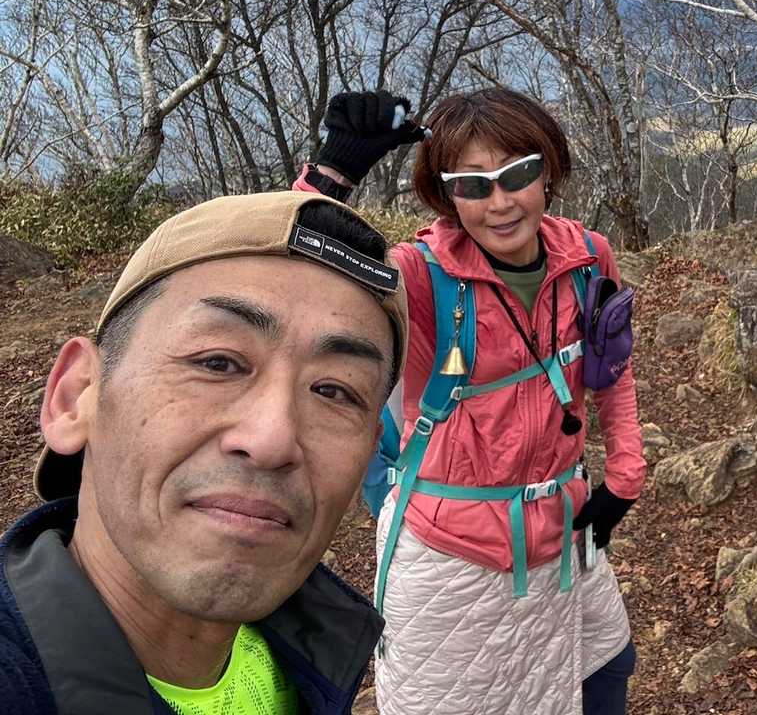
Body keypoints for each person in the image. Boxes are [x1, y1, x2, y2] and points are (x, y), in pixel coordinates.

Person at [297, 87, 644, 715]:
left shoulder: (587, 257)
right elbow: (299, 279)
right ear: (447, 195)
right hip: (451, 549)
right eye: (473, 184)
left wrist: (622, 480)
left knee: (605, 666)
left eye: (518, 174)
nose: (500, 202)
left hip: (563, 529)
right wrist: (334, 173)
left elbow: (611, 368)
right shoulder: (418, 276)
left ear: (548, 170)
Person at [0, 191, 410, 715]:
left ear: (369, 454)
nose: (272, 439)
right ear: (76, 395)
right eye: (218, 363)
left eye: (335, 391)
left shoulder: (308, 654)